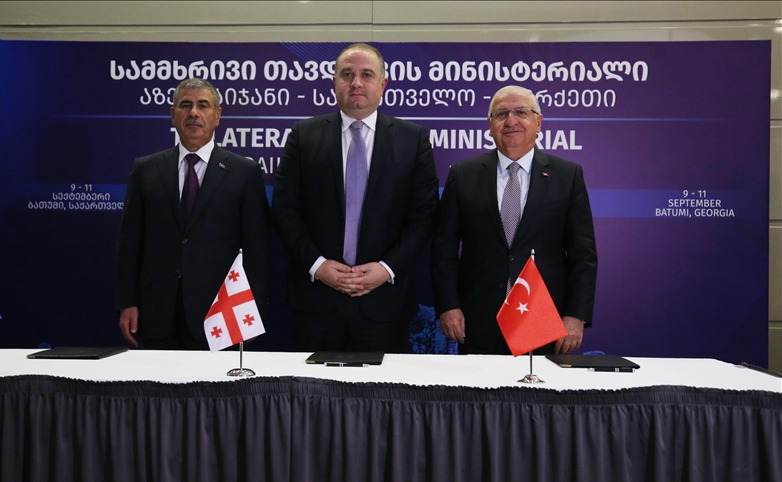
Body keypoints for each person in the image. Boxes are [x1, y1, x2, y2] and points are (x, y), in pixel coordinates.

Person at [272, 43, 439, 353]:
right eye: (347, 74)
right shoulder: (303, 136)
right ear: (334, 82)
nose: (356, 83)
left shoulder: (413, 140)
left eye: (367, 75)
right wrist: (318, 265)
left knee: (383, 385)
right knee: (313, 386)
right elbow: (285, 209)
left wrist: (386, 268)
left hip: (385, 303)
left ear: (383, 84)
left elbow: (424, 216)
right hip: (316, 301)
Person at [431, 85, 597, 355]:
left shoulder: (567, 176)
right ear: (490, 124)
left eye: (521, 112)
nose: (511, 121)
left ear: (538, 122)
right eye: (501, 114)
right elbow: (444, 250)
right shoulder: (463, 175)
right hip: (478, 321)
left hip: (544, 321)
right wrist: (449, 306)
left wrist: (576, 315)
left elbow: (583, 255)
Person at [115, 78, 270, 349]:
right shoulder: (145, 170)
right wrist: (127, 301)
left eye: (203, 105)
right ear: (173, 115)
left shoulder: (244, 173)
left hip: (221, 313)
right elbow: (129, 244)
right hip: (158, 313)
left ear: (217, 116)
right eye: (185, 105)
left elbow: (258, 251)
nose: (194, 113)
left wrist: (250, 311)